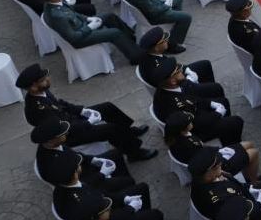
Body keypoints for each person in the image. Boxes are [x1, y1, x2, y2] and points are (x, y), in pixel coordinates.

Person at [16, 63, 157, 161]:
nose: (47, 80)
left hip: (72, 120)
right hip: (69, 135)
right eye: (42, 80)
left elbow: (60, 104)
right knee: (111, 130)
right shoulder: (38, 109)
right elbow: (61, 128)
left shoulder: (42, 90)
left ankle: (129, 131)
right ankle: (134, 152)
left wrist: (82, 110)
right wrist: (88, 122)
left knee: (107, 107)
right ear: (33, 87)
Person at [41, 0, 145, 64]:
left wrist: (88, 19)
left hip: (81, 26)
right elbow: (73, 38)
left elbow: (74, 14)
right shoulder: (56, 15)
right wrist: (90, 27)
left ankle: (131, 40)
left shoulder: (55, 2)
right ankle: (136, 57)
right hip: (81, 38)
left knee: (109, 16)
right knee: (114, 33)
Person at [149, 57, 245, 145]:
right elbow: (197, 123)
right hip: (195, 130)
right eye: (178, 71)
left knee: (223, 102)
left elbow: (193, 98)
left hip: (195, 113)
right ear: (172, 81)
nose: (181, 71)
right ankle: (232, 144)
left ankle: (227, 134)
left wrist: (210, 103)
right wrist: (217, 114)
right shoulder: (176, 104)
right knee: (236, 122)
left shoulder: (169, 87)